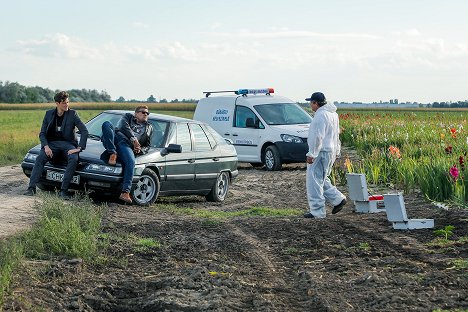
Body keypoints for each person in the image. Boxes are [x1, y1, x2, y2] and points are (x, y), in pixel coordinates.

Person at [24, 91, 88, 199]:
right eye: (64, 103)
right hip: (52, 144)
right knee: (40, 158)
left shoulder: (73, 114)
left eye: (67, 102)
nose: (66, 105)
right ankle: (31, 188)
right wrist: (46, 146)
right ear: (57, 103)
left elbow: (84, 131)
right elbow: (42, 133)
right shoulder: (49, 114)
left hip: (68, 145)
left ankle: (63, 191)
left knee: (73, 159)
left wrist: (79, 148)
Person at [304, 92, 346, 218]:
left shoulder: (320, 115)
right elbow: (336, 135)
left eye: (311, 102)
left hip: (320, 151)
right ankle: (338, 199)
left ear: (315, 103)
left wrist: (312, 153)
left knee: (313, 181)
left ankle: (317, 211)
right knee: (322, 178)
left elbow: (317, 136)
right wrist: (337, 150)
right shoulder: (333, 114)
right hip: (330, 151)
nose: (310, 105)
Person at [101, 105, 153, 204]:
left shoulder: (149, 127)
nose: (145, 114)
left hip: (126, 146)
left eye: (147, 113)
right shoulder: (128, 117)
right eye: (143, 112)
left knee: (131, 161)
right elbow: (122, 127)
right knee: (106, 124)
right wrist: (134, 139)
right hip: (116, 137)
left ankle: (125, 192)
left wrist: (140, 149)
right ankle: (112, 152)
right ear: (136, 113)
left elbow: (148, 146)